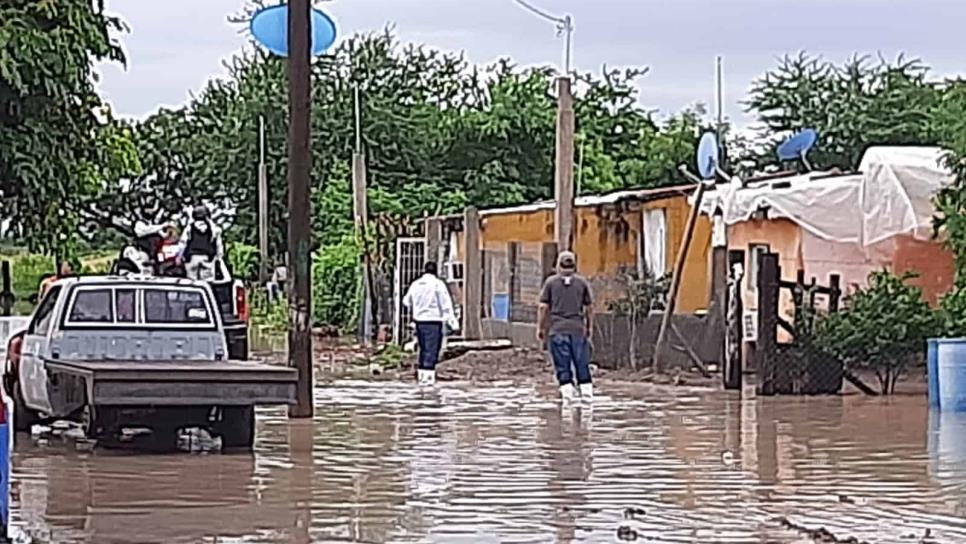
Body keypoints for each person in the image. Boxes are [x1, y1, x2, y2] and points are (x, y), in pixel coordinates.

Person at [537, 251, 594, 402]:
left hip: (557, 331)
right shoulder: (582, 283)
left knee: (562, 364)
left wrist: (541, 328)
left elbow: (543, 307)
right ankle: (587, 396)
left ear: (558, 264)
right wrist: (589, 327)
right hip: (577, 330)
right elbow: (589, 307)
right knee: (582, 363)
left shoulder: (550, 283)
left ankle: (567, 397)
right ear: (574, 265)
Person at [402, 261, 459, 386]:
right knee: (432, 350)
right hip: (433, 321)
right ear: (435, 271)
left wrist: (417, 307)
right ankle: (429, 379)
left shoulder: (415, 284)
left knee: (423, 349)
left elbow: (406, 301)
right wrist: (452, 321)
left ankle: (422, 376)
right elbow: (446, 304)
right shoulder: (438, 284)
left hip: (419, 321)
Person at [181, 205, 224, 282]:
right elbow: (218, 246)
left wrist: (181, 257)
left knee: (191, 283)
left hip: (192, 258)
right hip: (207, 258)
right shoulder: (214, 229)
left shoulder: (189, 228)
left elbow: (183, 243)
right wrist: (218, 258)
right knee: (207, 282)